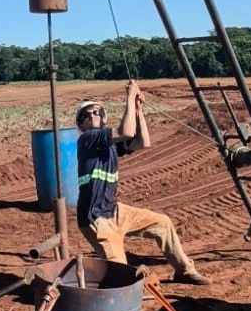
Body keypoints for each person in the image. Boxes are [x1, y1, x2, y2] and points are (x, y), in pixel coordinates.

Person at [74, 81, 208, 283]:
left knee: (162, 223)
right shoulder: (88, 139)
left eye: (97, 113)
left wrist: (138, 110)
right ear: (80, 125)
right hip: (97, 220)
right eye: (87, 115)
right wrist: (130, 95)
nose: (93, 116)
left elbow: (142, 142)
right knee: (121, 275)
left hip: (114, 211)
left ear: (104, 118)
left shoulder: (106, 144)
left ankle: (185, 271)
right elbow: (126, 132)